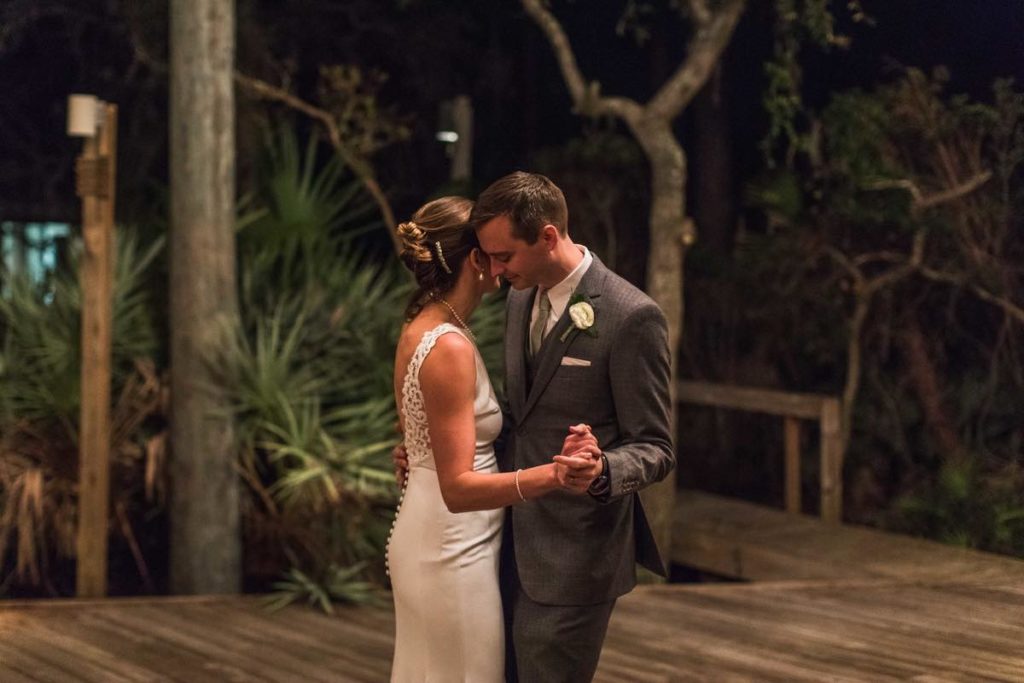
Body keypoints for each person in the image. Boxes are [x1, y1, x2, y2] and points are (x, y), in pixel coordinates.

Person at [396, 173, 676, 682]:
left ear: (548, 237)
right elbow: (518, 419)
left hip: (574, 555)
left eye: (504, 256)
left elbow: (656, 446)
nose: (496, 271)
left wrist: (600, 468)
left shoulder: (631, 317)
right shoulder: (521, 299)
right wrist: (434, 448)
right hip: (497, 547)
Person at [387, 195, 599, 683]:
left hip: (445, 534)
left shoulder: (425, 328)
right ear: (475, 260)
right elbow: (457, 487)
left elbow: (421, 439)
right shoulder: (448, 347)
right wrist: (554, 475)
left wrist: (417, 458)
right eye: (495, 253)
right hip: (451, 544)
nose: (504, 266)